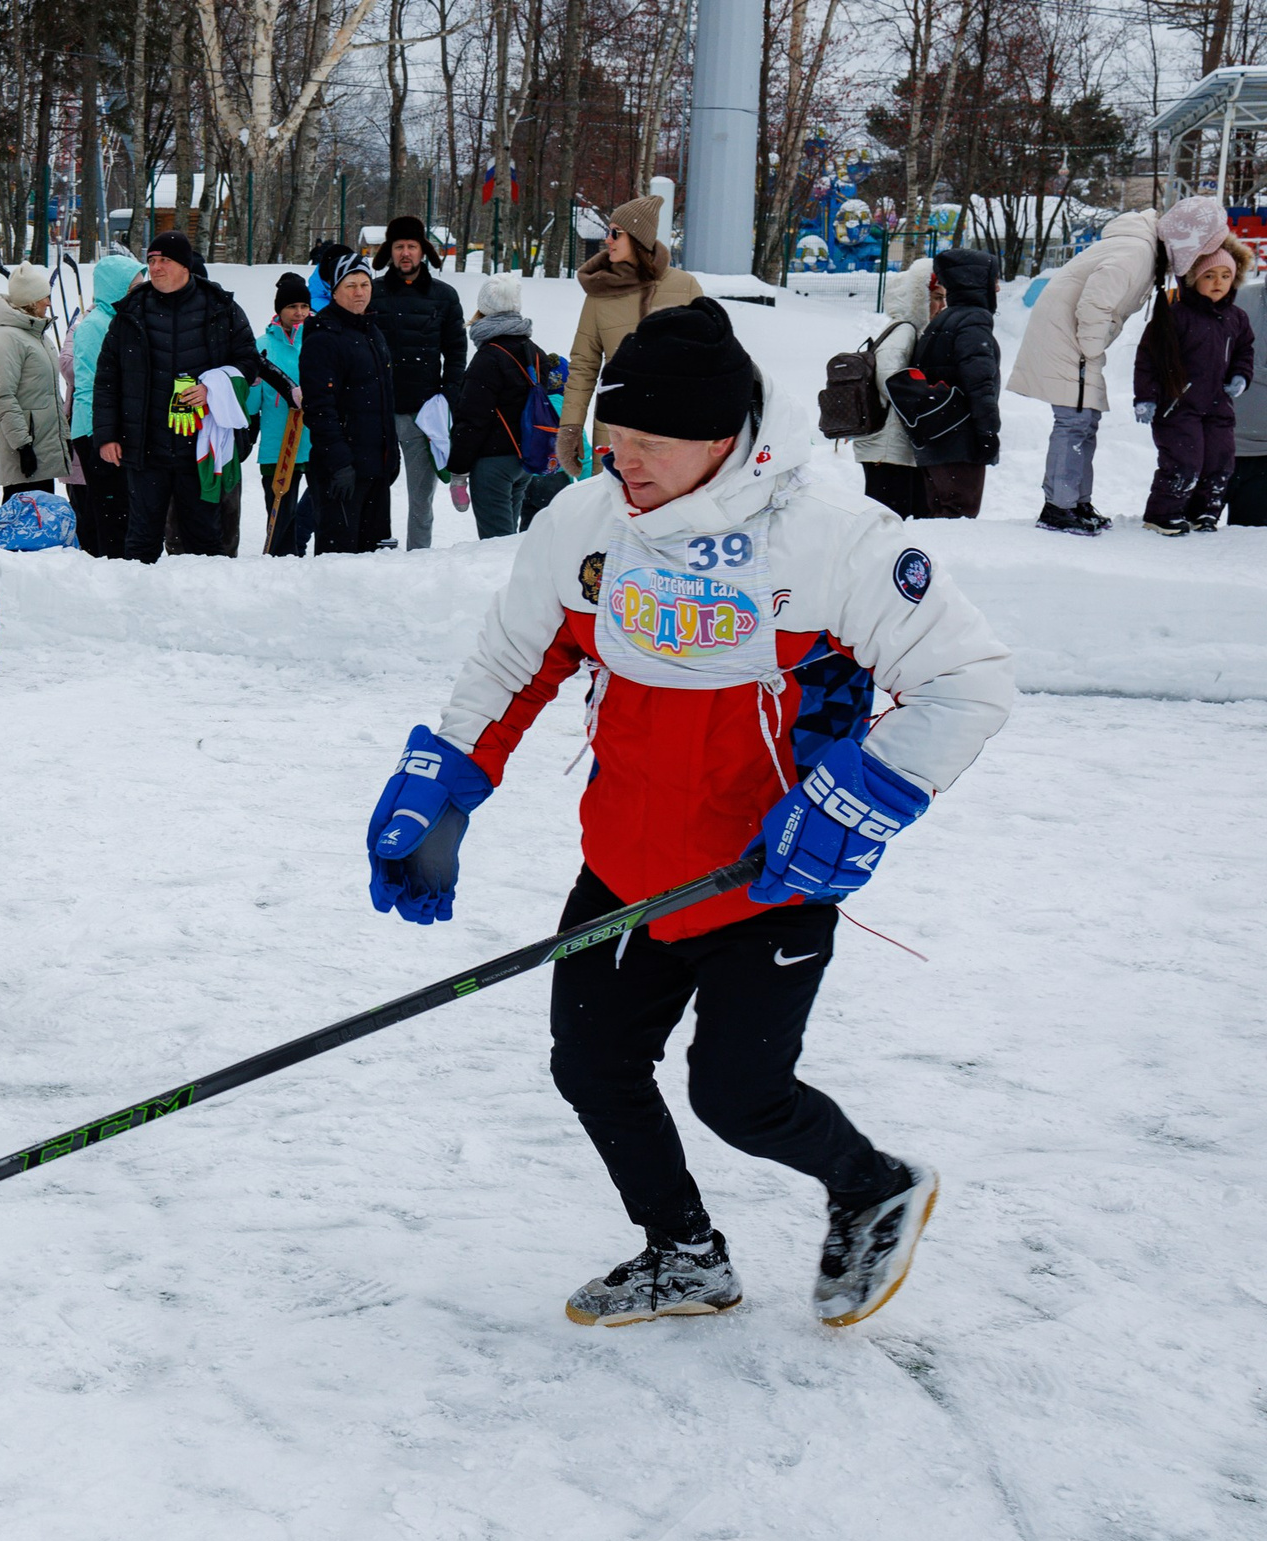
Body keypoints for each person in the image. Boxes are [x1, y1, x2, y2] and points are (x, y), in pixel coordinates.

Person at [364, 298, 1013, 1328]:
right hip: (625, 866)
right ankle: (683, 1252)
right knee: (591, 1065)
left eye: (648, 442)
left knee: (740, 1097)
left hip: (765, 878)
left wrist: (852, 804)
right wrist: (441, 779)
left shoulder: (830, 541)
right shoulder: (585, 525)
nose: (620, 460)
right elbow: (512, 659)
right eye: (612, 434)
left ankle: (871, 1185)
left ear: (722, 437)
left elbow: (966, 681)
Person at [93, 230, 289, 560]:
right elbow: (107, 380)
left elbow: (248, 361)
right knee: (141, 538)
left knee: (204, 537)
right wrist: (107, 435)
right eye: (151, 261)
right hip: (146, 446)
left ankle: (203, 593)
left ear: (184, 265)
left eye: (164, 260)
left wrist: (214, 388)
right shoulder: (130, 312)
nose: (155, 267)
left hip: (202, 446)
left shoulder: (221, 308)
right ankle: (138, 593)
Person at [1006, 201, 1184, 535]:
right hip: (1069, 337)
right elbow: (1095, 302)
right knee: (1074, 422)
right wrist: (1091, 348)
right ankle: (1058, 507)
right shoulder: (1136, 252)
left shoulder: (1143, 249)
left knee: (1086, 421)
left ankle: (1076, 502)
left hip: (1071, 336)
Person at [556, 195, 703, 478]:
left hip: (672, 426)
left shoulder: (685, 286)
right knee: (613, 499)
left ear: (637, 237)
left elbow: (706, 359)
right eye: (607, 232)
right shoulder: (599, 292)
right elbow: (583, 365)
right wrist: (570, 427)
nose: (607, 240)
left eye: (615, 233)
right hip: (614, 425)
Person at [1132, 238, 1255, 536]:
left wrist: (1240, 376)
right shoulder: (1175, 316)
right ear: (1192, 280)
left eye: (1225, 276)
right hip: (1178, 405)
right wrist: (1146, 397)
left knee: (1219, 461)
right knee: (1184, 461)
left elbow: (1244, 351)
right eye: (1209, 276)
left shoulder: (1237, 318)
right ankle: (1163, 514)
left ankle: (1202, 512)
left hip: (1218, 405)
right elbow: (1149, 358)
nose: (1218, 282)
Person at [367, 215, 466, 548]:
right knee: (372, 488)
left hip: (422, 413)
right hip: (377, 410)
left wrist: (448, 396)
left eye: (411, 246)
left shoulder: (444, 296)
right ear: (389, 251)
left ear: (423, 251)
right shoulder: (372, 293)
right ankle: (371, 549)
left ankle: (418, 556)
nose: (405, 253)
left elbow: (456, 353)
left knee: (421, 498)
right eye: (399, 247)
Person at [445, 272, 563, 540]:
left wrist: (458, 471)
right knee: (509, 543)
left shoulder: (488, 358)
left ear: (484, 308)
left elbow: (472, 419)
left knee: (495, 546)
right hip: (525, 460)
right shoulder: (535, 352)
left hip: (493, 464)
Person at [298, 256, 397, 554]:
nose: (359, 292)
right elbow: (319, 409)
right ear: (334, 291)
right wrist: (339, 463)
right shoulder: (324, 337)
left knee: (374, 557)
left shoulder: (372, 331)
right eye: (351, 285)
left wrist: (391, 453)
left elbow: (384, 400)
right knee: (338, 559)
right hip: (341, 471)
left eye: (365, 285)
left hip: (375, 467)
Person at [906, 247, 1001, 519]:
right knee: (959, 517)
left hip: (937, 441)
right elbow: (980, 383)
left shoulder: (944, 320)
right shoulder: (973, 321)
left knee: (940, 518)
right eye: (993, 280)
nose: (997, 288)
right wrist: (988, 433)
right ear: (977, 282)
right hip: (960, 442)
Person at [66, 253, 140, 556]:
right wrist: (99, 434)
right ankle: (111, 566)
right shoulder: (95, 326)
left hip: (110, 428)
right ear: (115, 288)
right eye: (134, 288)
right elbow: (92, 384)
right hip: (96, 430)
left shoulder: (118, 321)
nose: (141, 294)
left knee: (123, 509)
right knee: (112, 510)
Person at [849, 258, 932, 519]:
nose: (939, 305)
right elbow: (888, 376)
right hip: (887, 447)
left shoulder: (903, 329)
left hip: (887, 445)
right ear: (918, 299)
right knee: (889, 517)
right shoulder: (904, 330)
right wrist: (923, 401)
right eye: (934, 297)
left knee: (894, 513)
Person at [0, 262, 68, 503]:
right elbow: (2, 395)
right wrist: (23, 446)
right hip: (25, 450)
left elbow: (50, 393)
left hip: (43, 447)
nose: (49, 303)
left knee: (42, 516)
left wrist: (64, 436)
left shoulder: (37, 335)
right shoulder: (5, 338)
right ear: (31, 301)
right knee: (24, 519)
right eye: (45, 297)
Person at [249, 271, 315, 555]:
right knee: (279, 513)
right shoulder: (262, 344)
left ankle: (308, 552)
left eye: (304, 306)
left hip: (313, 438)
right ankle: (280, 560)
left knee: (322, 503)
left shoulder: (317, 339)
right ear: (279, 310)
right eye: (292, 307)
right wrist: (253, 386)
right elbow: (251, 405)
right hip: (279, 442)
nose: (299, 313)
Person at [1231, 262, 1267, 525]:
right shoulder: (1236, 300)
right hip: (1213, 447)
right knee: (1190, 535)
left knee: (1244, 538)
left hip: (1263, 460)